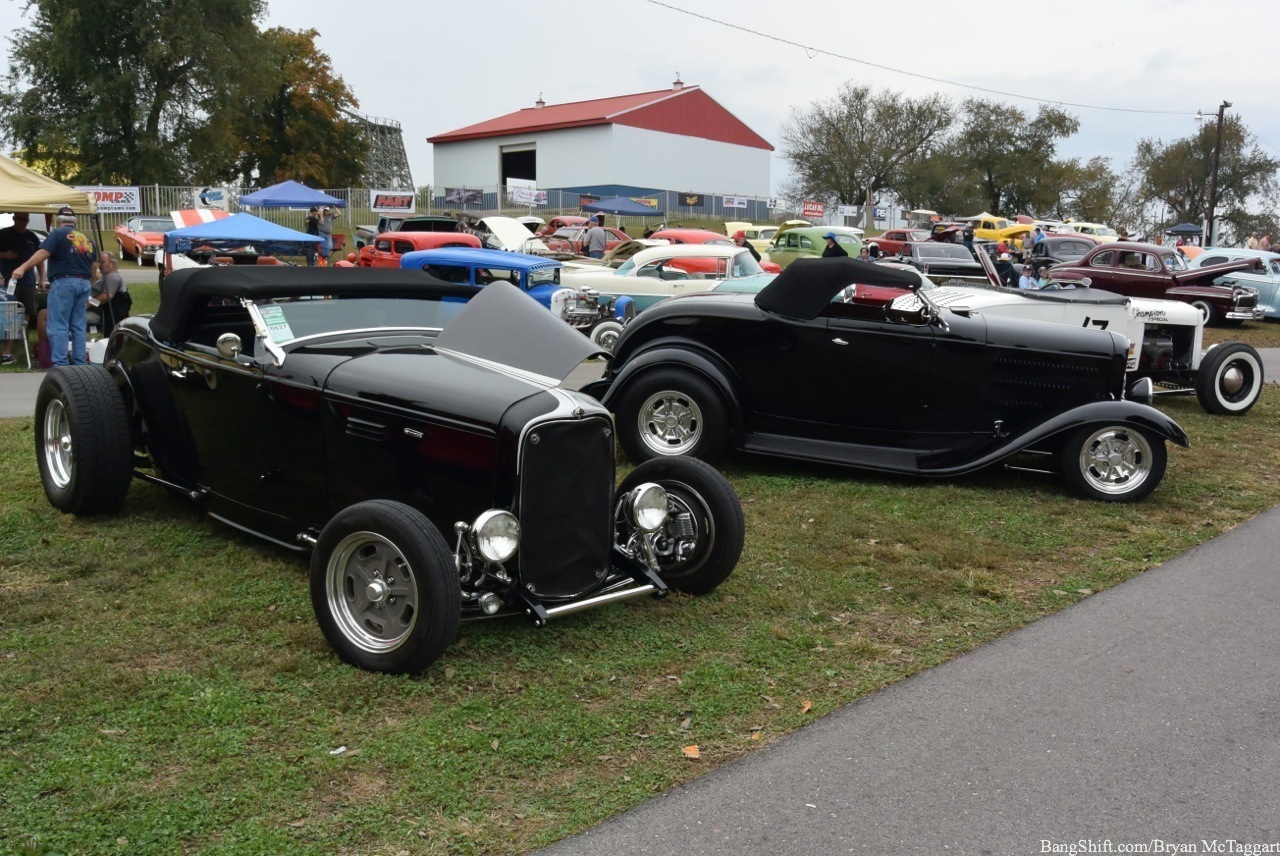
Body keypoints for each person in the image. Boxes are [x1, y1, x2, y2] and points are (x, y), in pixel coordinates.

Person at [10, 206, 98, 367]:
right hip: (84, 282)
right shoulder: (87, 238)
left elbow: (43, 253)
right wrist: (89, 285)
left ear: (58, 221)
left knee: (58, 324)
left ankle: (61, 363)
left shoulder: (57, 234)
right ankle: (79, 363)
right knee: (78, 325)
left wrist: (22, 268)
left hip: (64, 282)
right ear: (75, 221)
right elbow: (94, 266)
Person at [88, 252, 128, 338]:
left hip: (94, 313)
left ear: (112, 264)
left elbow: (106, 297)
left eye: (102, 262)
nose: (99, 265)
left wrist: (88, 303)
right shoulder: (108, 277)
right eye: (98, 262)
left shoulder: (113, 277)